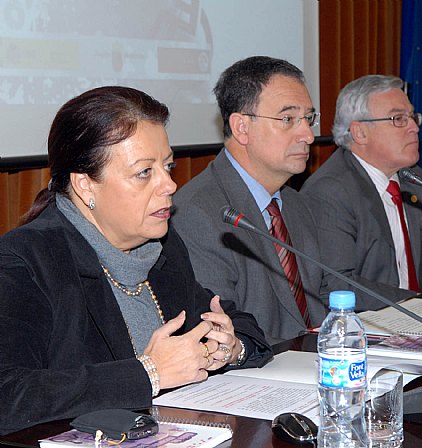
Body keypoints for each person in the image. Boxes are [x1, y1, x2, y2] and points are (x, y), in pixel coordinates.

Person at [0, 86, 272, 435]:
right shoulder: (27, 260)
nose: (170, 185)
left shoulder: (162, 247)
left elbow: (230, 318)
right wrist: (148, 373)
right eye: (145, 172)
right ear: (85, 185)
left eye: (168, 166)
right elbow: (9, 394)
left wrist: (232, 348)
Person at [172, 56, 326, 345]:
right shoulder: (198, 214)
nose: (307, 134)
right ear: (241, 127)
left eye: (309, 119)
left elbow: (327, 295)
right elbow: (221, 335)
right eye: (287, 119)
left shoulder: (296, 204)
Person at [301, 75, 422, 309]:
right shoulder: (330, 191)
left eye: (412, 117)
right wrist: (416, 305)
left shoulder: (413, 178)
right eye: (398, 119)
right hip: (365, 329)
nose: (414, 127)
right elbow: (337, 284)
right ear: (360, 132)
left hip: (421, 322)